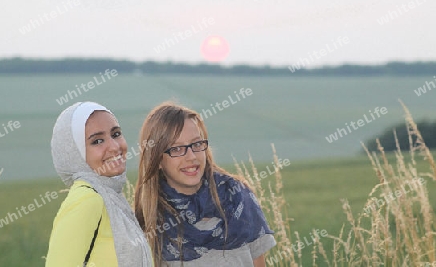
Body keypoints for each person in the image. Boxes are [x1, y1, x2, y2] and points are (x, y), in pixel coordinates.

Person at [134, 102, 276, 267]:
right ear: (157, 159)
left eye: (196, 144)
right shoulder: (150, 221)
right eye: (177, 149)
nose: (191, 156)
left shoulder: (238, 197)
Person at [46, 101, 153, 267]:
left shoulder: (113, 197)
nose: (114, 146)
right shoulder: (88, 199)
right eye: (97, 141)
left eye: (116, 134)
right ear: (74, 154)